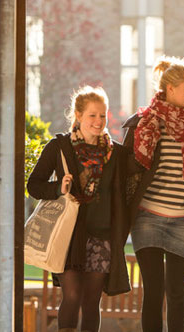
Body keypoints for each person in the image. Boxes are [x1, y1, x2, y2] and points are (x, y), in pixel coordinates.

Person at [121, 56, 184, 332]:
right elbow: (126, 171)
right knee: (152, 292)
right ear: (171, 88)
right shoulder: (146, 122)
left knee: (177, 293)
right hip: (147, 219)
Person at [26, 86, 130, 332]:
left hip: (101, 235)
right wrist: (58, 189)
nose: (98, 121)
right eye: (92, 115)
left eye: (103, 115)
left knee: (91, 301)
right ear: (78, 115)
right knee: (71, 296)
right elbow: (34, 185)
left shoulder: (114, 153)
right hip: (68, 235)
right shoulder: (60, 146)